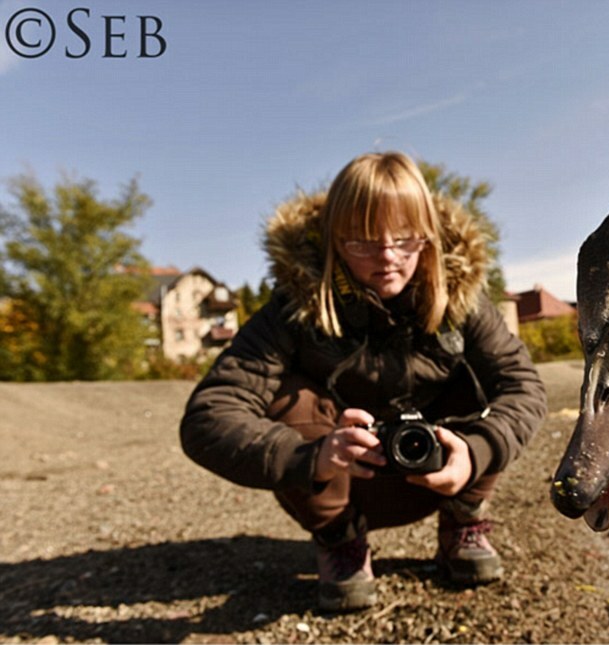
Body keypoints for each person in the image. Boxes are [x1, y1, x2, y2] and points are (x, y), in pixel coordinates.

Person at [179, 151, 547, 612]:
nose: (389, 257)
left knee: (483, 383)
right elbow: (208, 415)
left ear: (428, 235)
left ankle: (464, 520)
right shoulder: (293, 307)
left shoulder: (461, 299)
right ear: (333, 240)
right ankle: (340, 541)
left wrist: (476, 455)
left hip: (441, 477)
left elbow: (524, 386)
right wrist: (309, 458)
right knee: (283, 395)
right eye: (363, 241)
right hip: (335, 486)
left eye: (406, 238)